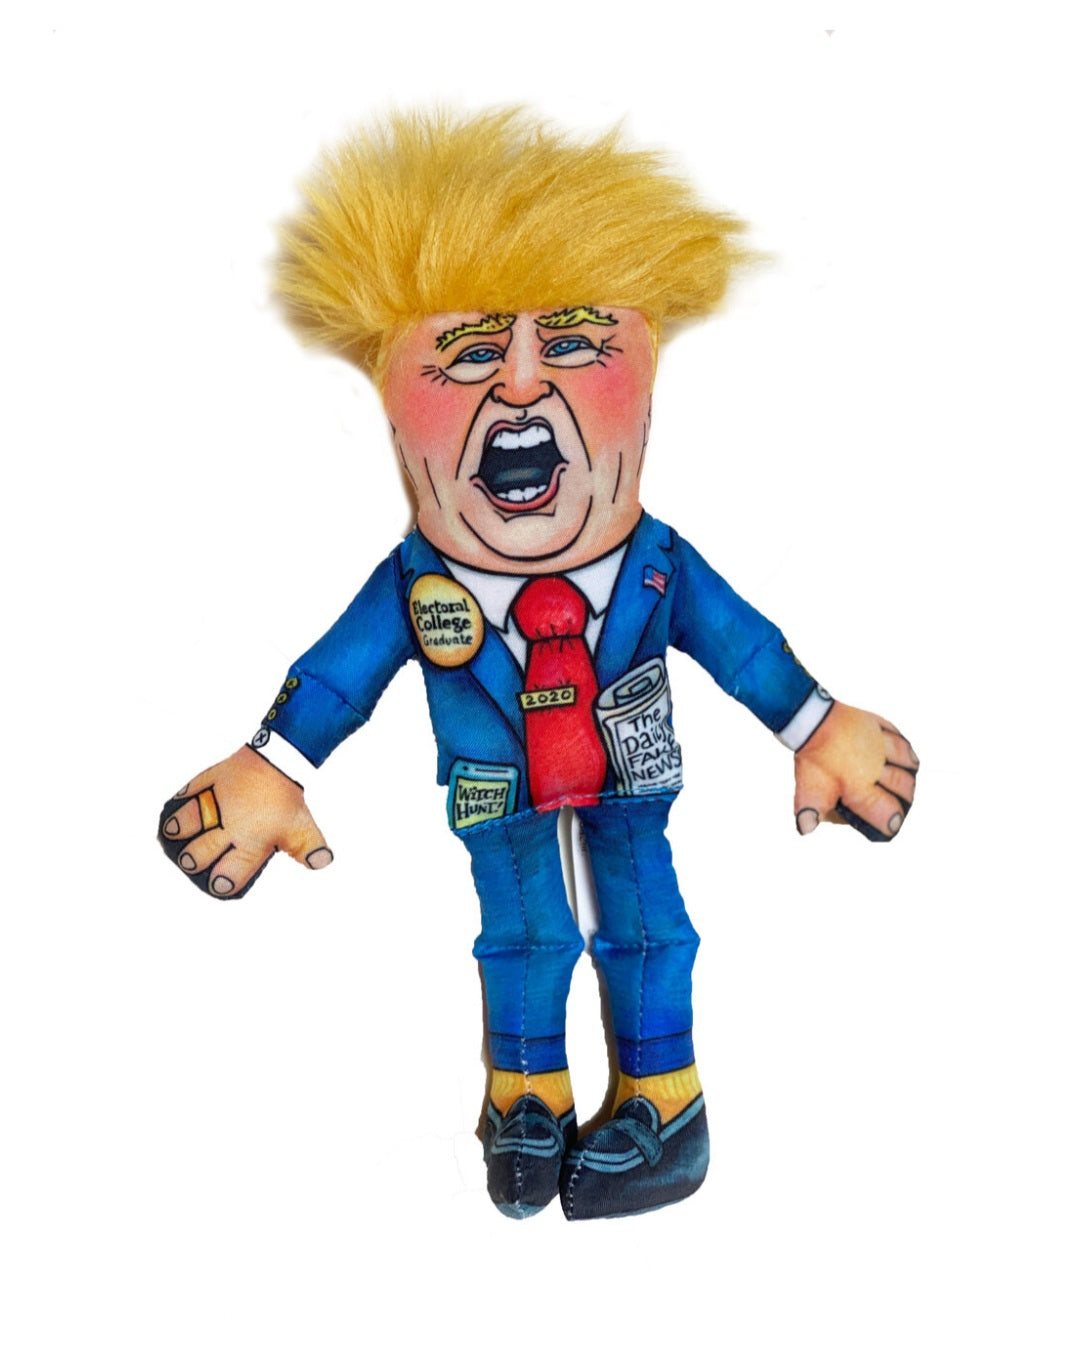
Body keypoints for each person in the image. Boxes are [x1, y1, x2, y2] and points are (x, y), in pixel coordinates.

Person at [159, 109, 917, 1221]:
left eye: (571, 343)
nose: (519, 382)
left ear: (646, 379)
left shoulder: (658, 565)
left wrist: (817, 723)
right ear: (392, 405)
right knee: (521, 930)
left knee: (647, 923)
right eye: (470, 352)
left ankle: (665, 1101)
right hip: (496, 786)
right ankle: (525, 1097)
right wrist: (273, 761)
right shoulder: (417, 583)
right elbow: (338, 674)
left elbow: (745, 643)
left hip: (630, 782)